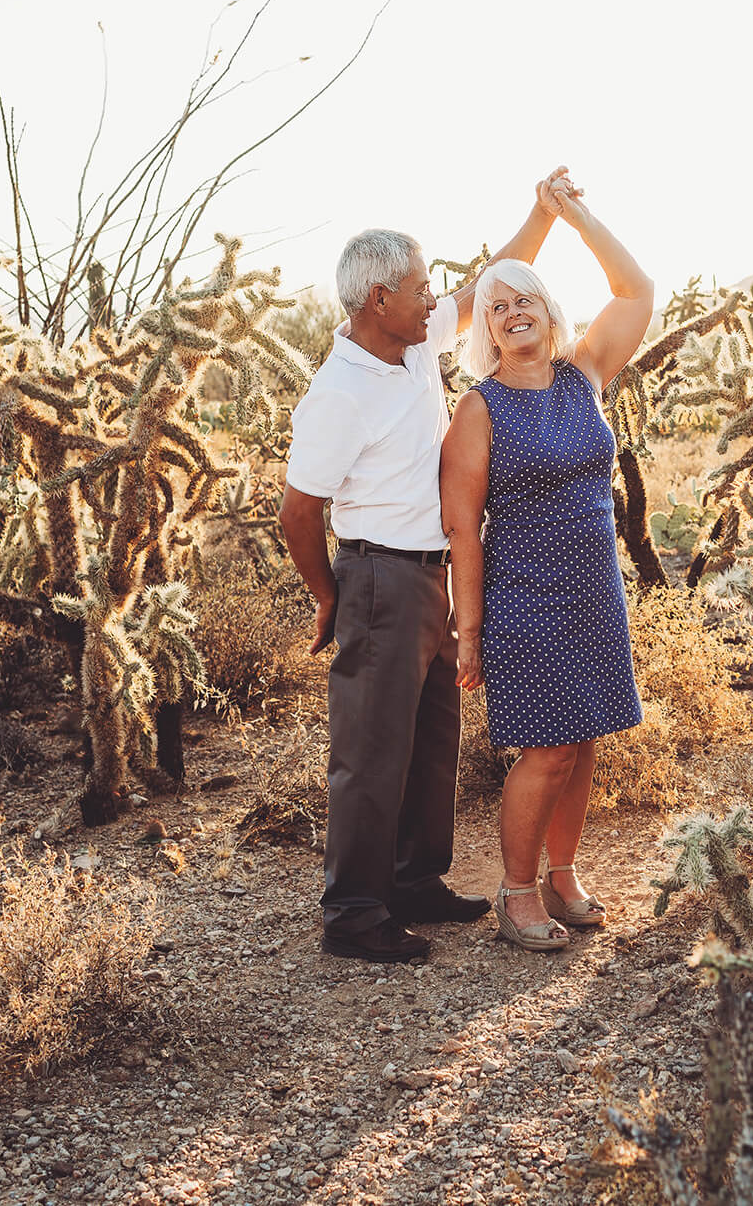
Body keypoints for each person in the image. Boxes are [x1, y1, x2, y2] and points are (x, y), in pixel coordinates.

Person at [279, 172, 571, 964]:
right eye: (418, 286)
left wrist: (541, 213)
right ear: (378, 299)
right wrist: (327, 594)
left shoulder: (410, 344)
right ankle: (354, 911)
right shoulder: (339, 391)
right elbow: (297, 512)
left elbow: (486, 286)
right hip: (378, 574)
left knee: (431, 735)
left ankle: (413, 879)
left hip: (433, 572)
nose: (433, 294)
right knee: (372, 748)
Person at [440, 180, 656, 951]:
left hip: (595, 591)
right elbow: (463, 528)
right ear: (486, 329)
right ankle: (516, 891)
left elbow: (637, 289)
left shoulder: (585, 374)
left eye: (524, 296)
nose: (511, 310)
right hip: (524, 597)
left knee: (587, 735)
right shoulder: (479, 407)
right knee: (548, 746)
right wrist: (469, 632)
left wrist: (575, 216)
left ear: (548, 309)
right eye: (496, 305)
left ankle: (563, 876)